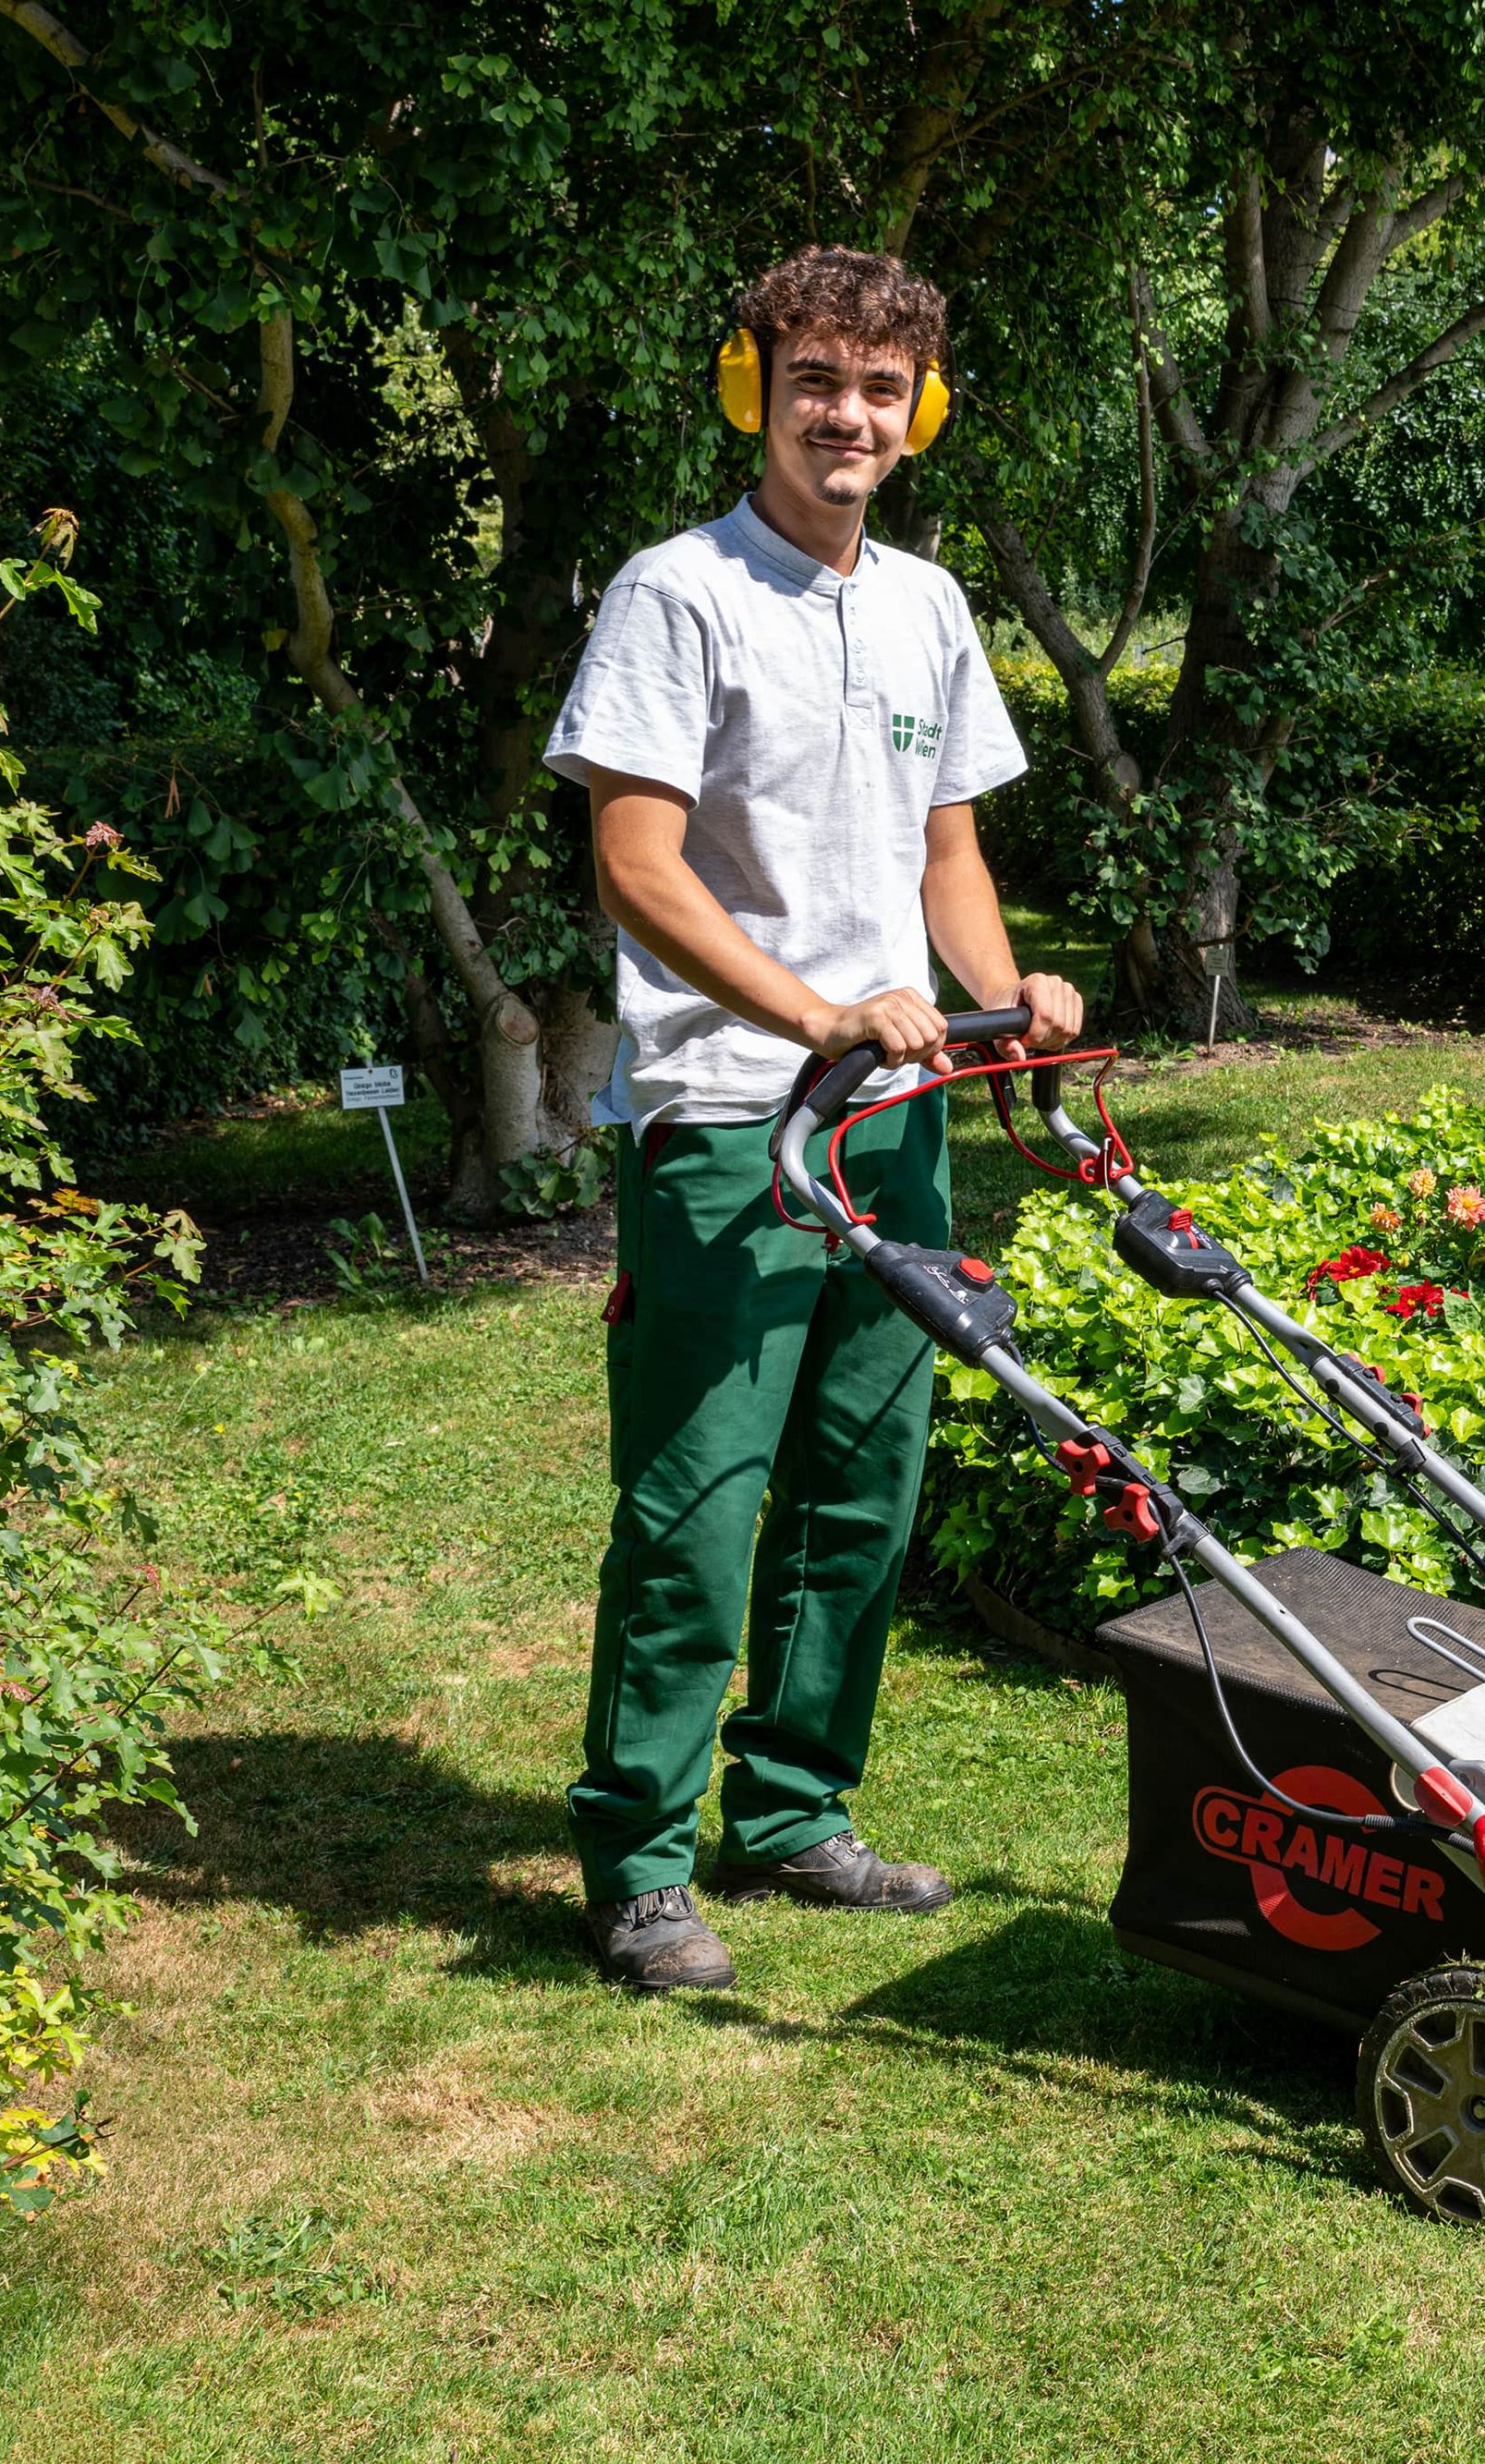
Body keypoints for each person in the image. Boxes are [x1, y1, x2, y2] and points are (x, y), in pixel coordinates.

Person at [543, 246, 1078, 1991]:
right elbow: (634, 868)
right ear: (751, 391)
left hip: (894, 1118)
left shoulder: (928, 605)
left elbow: (950, 860)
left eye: (877, 388)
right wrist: (809, 1012)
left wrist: (1016, 1006)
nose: (844, 415)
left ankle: (790, 1810)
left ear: (917, 414)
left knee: (867, 1483)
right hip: (726, 1117)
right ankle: (637, 1858)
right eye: (813, 382)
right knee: (701, 1495)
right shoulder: (675, 594)